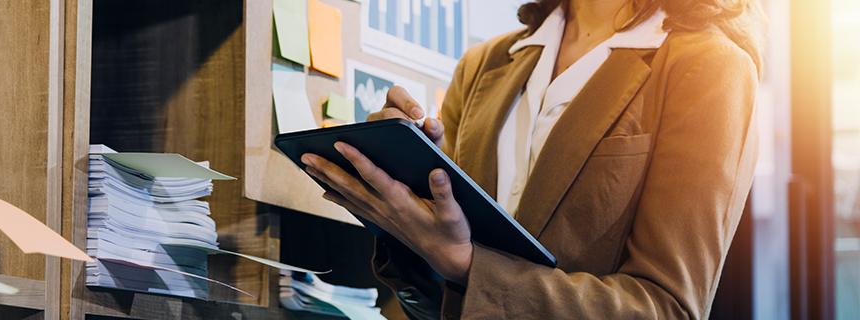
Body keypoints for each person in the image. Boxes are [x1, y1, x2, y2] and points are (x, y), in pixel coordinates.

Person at [300, 0, 763, 318]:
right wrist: (413, 224)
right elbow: (441, 306)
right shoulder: (486, 64)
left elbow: (668, 307)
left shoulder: (708, 66)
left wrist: (467, 264)